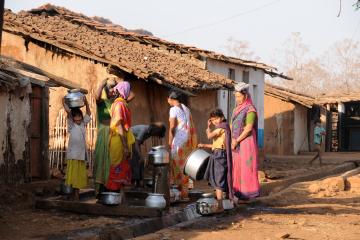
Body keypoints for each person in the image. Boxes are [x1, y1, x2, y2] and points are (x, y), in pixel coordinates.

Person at [93, 76, 135, 196]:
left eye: (114, 89)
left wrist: (119, 83)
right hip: (104, 133)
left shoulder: (117, 102)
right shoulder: (102, 102)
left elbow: (131, 94)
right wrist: (102, 85)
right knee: (102, 160)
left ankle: (111, 190)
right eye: (110, 89)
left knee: (112, 163)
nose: (112, 91)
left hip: (114, 133)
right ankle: (102, 189)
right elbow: (96, 96)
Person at [231, 82, 260, 203]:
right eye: (236, 97)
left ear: (245, 95)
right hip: (236, 142)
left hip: (246, 143)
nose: (237, 99)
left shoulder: (250, 109)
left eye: (239, 96)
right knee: (237, 168)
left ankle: (246, 195)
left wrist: (237, 140)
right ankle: (238, 193)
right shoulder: (236, 109)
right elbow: (232, 125)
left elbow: (248, 129)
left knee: (245, 168)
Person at [198, 109, 232, 212]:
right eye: (212, 120)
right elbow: (217, 145)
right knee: (221, 178)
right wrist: (204, 145)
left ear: (221, 117)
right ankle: (226, 203)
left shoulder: (221, 127)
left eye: (216, 119)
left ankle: (220, 206)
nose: (215, 122)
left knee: (218, 180)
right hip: (219, 153)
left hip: (220, 155)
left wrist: (208, 128)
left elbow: (209, 136)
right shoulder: (225, 127)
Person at [167, 90, 197, 200]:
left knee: (177, 167)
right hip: (187, 141)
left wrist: (170, 141)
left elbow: (172, 127)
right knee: (185, 167)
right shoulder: (185, 108)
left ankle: (178, 194)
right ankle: (184, 194)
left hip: (179, 141)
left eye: (168, 99)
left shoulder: (173, 109)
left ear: (171, 99)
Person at [107, 81, 135, 193]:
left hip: (119, 139)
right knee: (117, 169)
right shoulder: (120, 105)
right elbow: (119, 127)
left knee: (121, 169)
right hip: (119, 141)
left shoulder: (118, 103)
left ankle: (119, 197)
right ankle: (114, 197)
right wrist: (125, 146)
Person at [62, 95, 91, 201]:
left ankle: (76, 194)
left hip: (81, 155)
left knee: (79, 176)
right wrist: (64, 102)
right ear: (73, 118)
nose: (78, 118)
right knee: (73, 175)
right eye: (76, 117)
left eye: (80, 116)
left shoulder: (83, 124)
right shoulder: (71, 125)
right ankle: (73, 194)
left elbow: (89, 113)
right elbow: (68, 113)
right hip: (73, 155)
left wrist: (86, 102)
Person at [130, 122, 166, 187]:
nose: (156, 136)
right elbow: (136, 144)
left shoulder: (149, 133)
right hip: (129, 142)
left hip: (134, 143)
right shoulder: (144, 130)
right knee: (136, 161)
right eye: (157, 134)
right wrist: (140, 155)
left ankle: (138, 182)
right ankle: (135, 183)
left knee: (141, 162)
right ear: (155, 131)